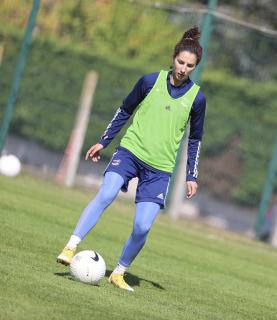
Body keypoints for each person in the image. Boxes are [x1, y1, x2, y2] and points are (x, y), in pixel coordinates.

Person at [56, 26, 207, 292]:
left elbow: (195, 139)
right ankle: (71, 245)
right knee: (107, 193)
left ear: (196, 67)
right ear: (173, 58)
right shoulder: (149, 81)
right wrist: (104, 141)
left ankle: (119, 272)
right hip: (130, 152)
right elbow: (124, 111)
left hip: (159, 169)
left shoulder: (197, 99)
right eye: (180, 62)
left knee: (142, 226)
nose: (183, 68)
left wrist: (191, 175)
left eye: (190, 65)